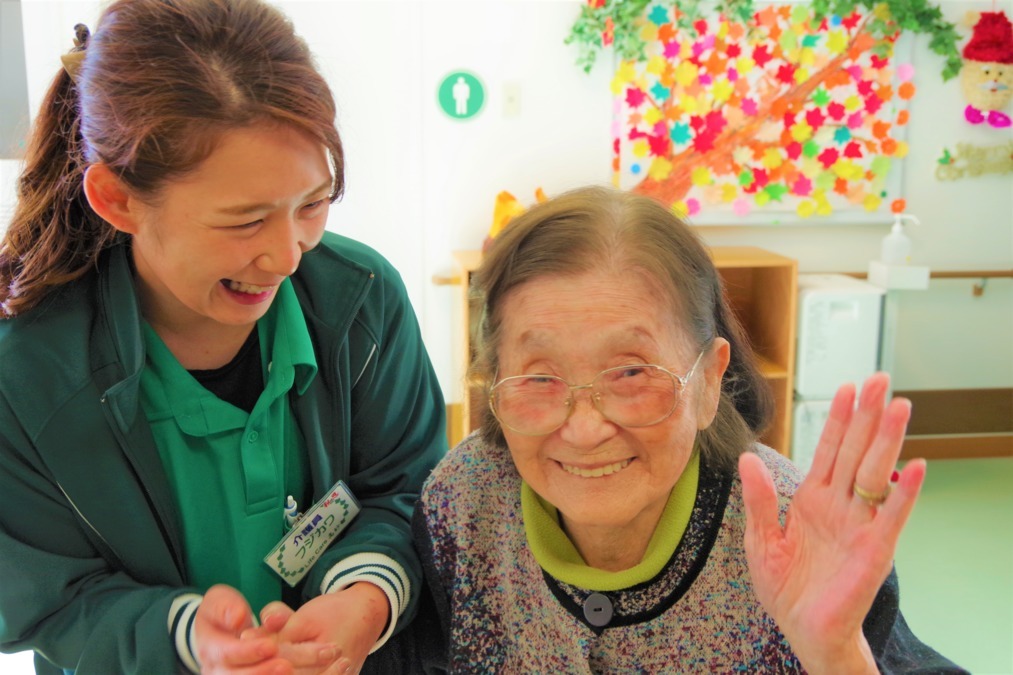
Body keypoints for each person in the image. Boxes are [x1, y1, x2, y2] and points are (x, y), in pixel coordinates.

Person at [0, 1, 446, 673]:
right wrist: (184, 636)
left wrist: (367, 593)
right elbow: (43, 597)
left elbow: (407, 487)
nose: (288, 256)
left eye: (313, 204)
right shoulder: (26, 376)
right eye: (244, 221)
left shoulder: (361, 303)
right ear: (117, 199)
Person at [411, 186, 965, 673]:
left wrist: (835, 655)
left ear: (708, 382)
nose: (583, 430)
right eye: (538, 376)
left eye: (631, 372)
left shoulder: (795, 534)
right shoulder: (462, 504)